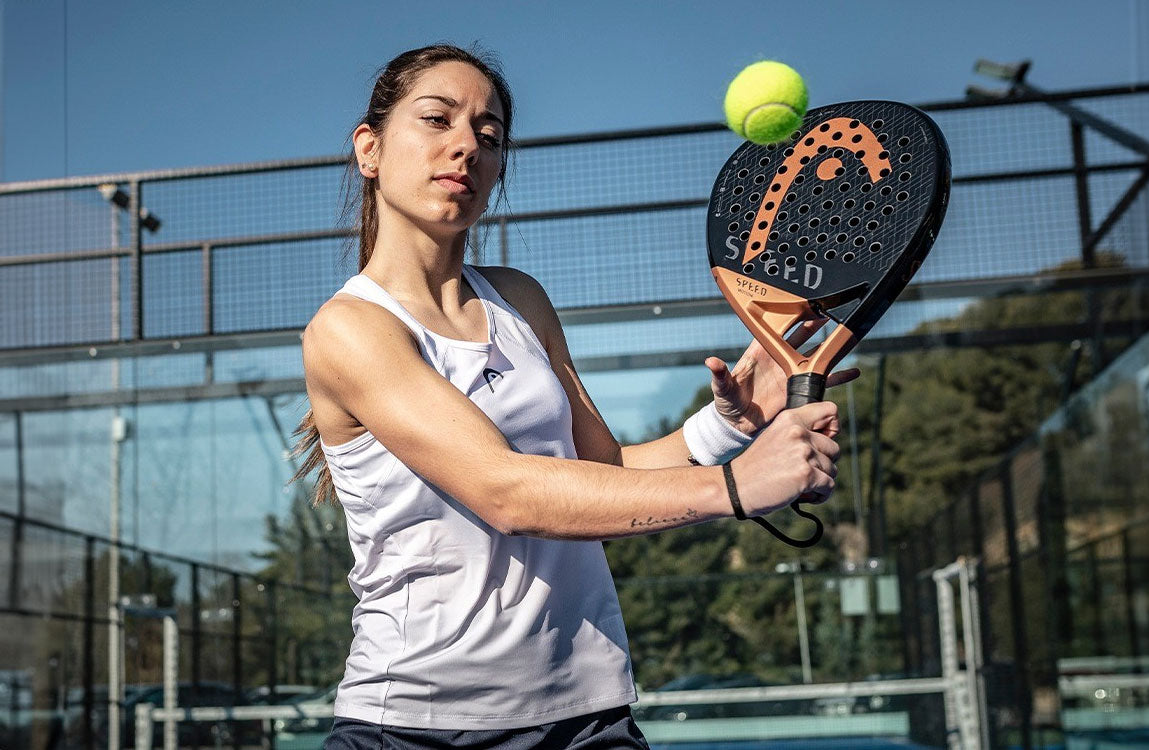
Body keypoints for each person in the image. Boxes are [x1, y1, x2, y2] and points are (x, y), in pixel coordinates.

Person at [294, 44, 852, 750]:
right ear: (369, 149)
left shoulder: (521, 300)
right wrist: (736, 486)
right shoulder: (348, 330)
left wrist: (727, 426)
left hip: (587, 715)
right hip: (417, 726)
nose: (466, 145)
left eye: (489, 136)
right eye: (437, 119)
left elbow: (603, 474)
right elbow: (510, 494)